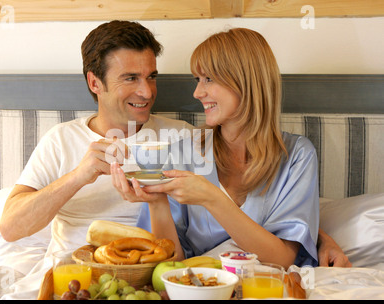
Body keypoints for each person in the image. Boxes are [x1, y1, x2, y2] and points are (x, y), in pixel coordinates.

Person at [111, 27, 351, 269]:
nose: (197, 92)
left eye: (209, 79)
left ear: (245, 81)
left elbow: (282, 259)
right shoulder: (183, 153)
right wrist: (156, 201)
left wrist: (212, 198)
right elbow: (170, 264)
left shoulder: (296, 155)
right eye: (198, 79)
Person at [0, 20, 193, 256]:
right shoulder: (61, 139)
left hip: (147, 271)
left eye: (151, 76)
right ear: (95, 83)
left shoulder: (183, 137)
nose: (147, 91)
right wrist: (77, 177)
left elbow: (207, 227)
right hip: (72, 276)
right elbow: (11, 228)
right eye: (131, 78)